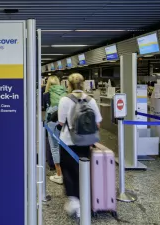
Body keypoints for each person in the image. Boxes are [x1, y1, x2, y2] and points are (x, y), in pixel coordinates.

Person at [57, 73, 102, 218]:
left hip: (68, 142)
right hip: (85, 142)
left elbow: (61, 122)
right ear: (83, 84)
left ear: (68, 85)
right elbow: (98, 123)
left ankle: (74, 201)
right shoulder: (91, 100)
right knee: (83, 171)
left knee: (69, 171)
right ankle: (85, 201)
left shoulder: (64, 100)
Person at [43, 76, 66, 184]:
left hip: (52, 122)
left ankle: (59, 174)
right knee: (65, 146)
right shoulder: (65, 93)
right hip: (65, 122)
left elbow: (44, 107)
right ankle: (67, 173)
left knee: (54, 147)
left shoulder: (46, 94)